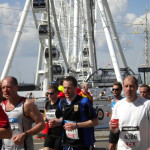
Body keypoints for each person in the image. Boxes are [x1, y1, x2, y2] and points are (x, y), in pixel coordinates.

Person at [49, 76, 98, 150]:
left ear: (75, 88)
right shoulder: (61, 102)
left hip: (83, 143)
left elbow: (95, 121)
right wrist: (55, 122)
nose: (66, 90)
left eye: (69, 88)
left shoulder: (84, 102)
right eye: (64, 88)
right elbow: (61, 119)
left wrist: (77, 125)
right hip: (67, 142)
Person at [1, 76, 45, 150]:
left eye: (8, 87)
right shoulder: (1, 105)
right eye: (3, 87)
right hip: (5, 147)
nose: (5, 90)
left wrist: (25, 134)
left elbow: (42, 124)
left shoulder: (27, 104)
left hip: (24, 147)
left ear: (16, 87)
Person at [110, 76, 150, 150]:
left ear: (136, 87)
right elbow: (115, 130)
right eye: (126, 86)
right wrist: (113, 128)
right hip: (123, 147)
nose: (128, 89)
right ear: (123, 88)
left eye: (131, 86)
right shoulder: (118, 105)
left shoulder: (147, 104)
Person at [106, 82, 123, 150]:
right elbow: (114, 115)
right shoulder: (113, 101)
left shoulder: (124, 101)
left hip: (122, 127)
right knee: (111, 147)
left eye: (117, 89)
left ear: (120, 90)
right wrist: (110, 115)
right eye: (113, 89)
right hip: (114, 127)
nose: (114, 91)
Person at [44, 85, 62, 150]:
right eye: (47, 93)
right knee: (46, 149)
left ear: (57, 93)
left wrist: (57, 121)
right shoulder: (47, 103)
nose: (49, 95)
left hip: (60, 132)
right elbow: (45, 116)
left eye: (51, 93)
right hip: (50, 132)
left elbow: (64, 117)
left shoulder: (61, 103)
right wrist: (44, 119)